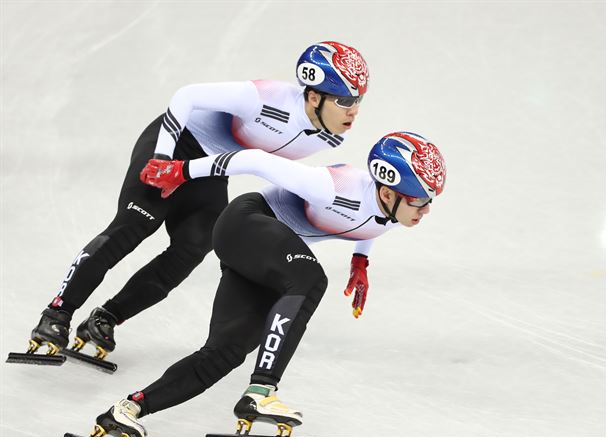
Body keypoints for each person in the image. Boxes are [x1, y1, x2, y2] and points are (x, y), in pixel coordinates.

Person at [87, 131, 446, 437]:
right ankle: (261, 391)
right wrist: (181, 171)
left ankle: (128, 408)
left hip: (261, 254)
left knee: (224, 353)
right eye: (420, 201)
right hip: (246, 223)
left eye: (430, 199)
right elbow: (253, 160)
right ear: (387, 191)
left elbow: (370, 227)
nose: (426, 210)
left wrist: (360, 262)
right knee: (310, 280)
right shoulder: (333, 186)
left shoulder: (396, 211)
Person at [25, 41, 369, 360]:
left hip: (207, 170)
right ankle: (57, 313)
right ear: (313, 97)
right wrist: (162, 158)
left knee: (195, 246)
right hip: (175, 146)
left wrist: (360, 257)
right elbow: (187, 96)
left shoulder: (329, 139)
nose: (353, 111)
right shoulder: (267, 97)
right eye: (343, 101)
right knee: (135, 225)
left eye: (357, 101)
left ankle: (106, 318)